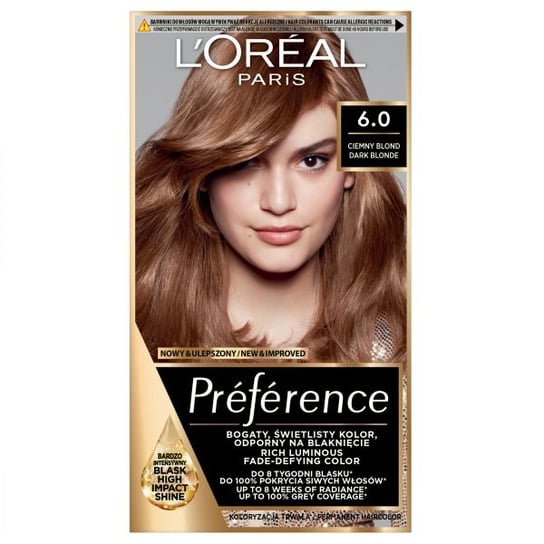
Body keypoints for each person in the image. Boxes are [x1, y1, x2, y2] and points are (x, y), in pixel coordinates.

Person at [136, 23, 406, 364]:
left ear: (351, 168)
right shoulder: (133, 331)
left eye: (312, 161)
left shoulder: (404, 340)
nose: (279, 202)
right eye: (245, 162)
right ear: (201, 171)